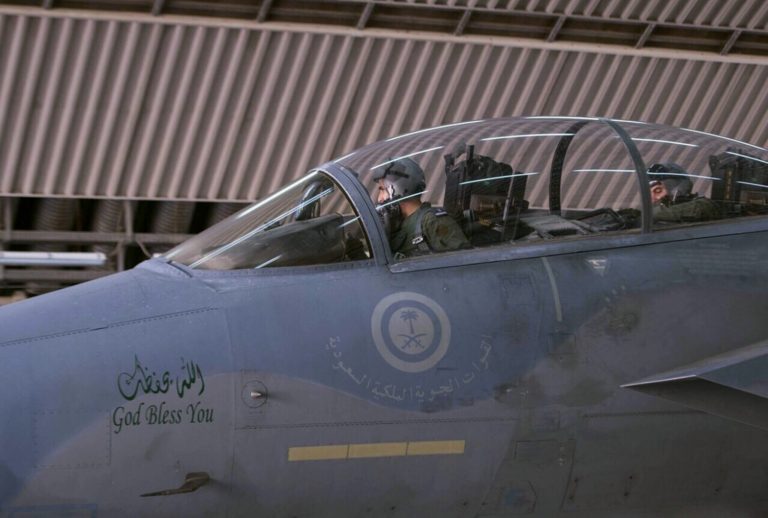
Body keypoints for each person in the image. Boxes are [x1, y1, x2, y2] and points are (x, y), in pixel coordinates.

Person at [373, 157, 470, 258]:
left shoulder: (432, 221)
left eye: (382, 190)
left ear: (399, 189)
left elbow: (463, 263)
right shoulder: (395, 224)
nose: (380, 199)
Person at [648, 163, 720, 223]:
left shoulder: (703, 205)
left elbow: (699, 209)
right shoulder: (659, 216)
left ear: (677, 187)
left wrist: (646, 216)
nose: (654, 199)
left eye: (658, 191)